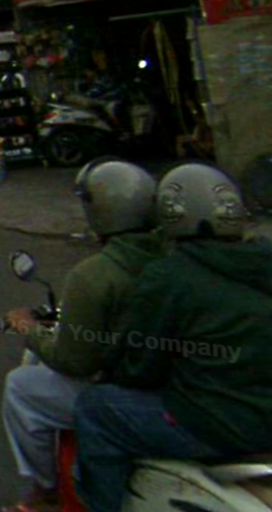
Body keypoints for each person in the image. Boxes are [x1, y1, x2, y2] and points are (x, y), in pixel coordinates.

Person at [73, 162, 272, 512]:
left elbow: (141, 368)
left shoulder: (168, 276)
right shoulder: (269, 265)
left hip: (224, 424)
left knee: (95, 408)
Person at [2, 158, 163, 512]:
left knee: (20, 388)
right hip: (174, 385)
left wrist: (30, 330)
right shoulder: (178, 257)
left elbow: (74, 360)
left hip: (132, 392)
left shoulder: (94, 274)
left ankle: (46, 491)